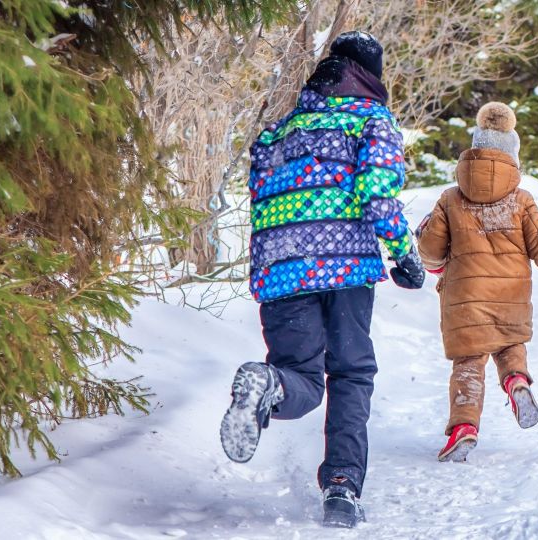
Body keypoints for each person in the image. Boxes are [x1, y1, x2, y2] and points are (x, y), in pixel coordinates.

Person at [218, 31, 425, 528]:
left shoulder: (279, 130)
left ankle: (268, 383)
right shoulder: (371, 119)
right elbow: (377, 191)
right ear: (370, 75)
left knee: (302, 376)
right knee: (351, 373)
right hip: (346, 267)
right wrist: (404, 255)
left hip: (281, 269)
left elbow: (262, 198)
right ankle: (341, 489)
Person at [415, 101, 538, 463]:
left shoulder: (450, 199)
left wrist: (431, 256)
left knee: (468, 363)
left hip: (464, 298)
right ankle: (515, 381)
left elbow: (430, 252)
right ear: (512, 154)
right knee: (510, 346)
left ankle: (464, 428)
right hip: (510, 294)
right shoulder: (520, 200)